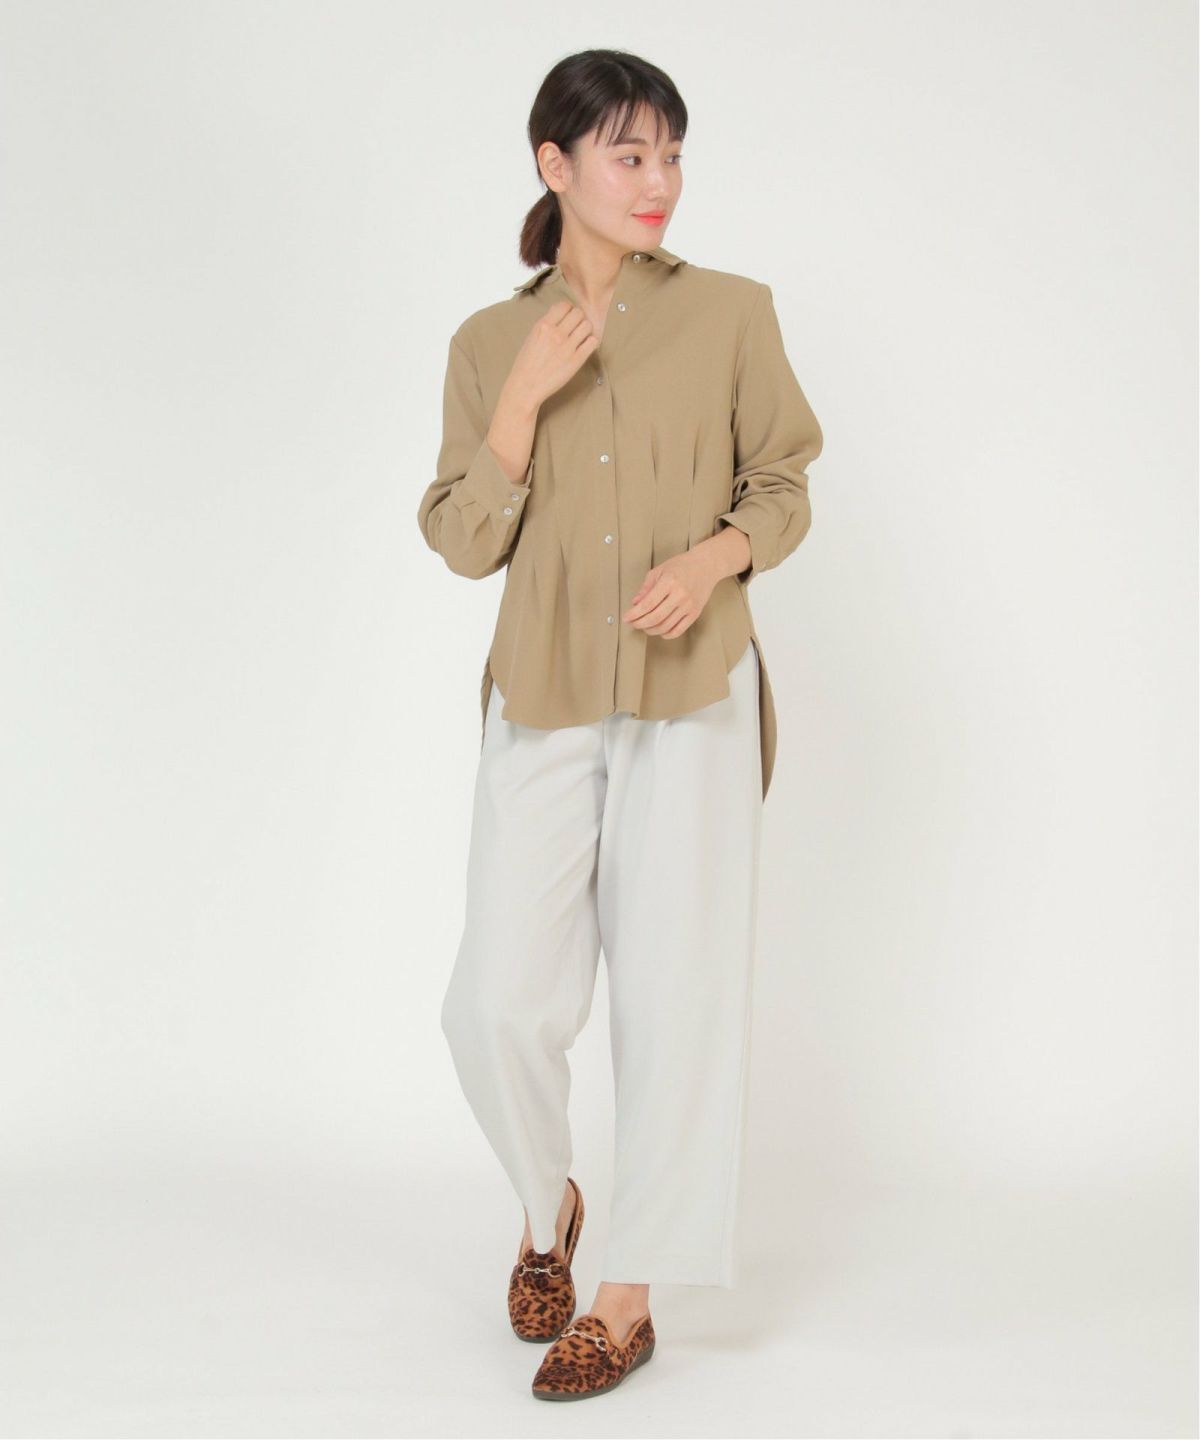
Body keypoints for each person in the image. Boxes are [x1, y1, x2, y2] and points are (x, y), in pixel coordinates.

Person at [416, 47, 824, 1402]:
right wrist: (522, 399)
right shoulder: (488, 343)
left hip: (692, 687)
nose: (659, 181)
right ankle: (550, 1211)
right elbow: (463, 541)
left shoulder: (731, 314)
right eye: (629, 154)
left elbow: (784, 481)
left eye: (672, 154)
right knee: (495, 1004)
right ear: (556, 164)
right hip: (541, 689)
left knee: (677, 994)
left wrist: (712, 560)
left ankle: (631, 1294)